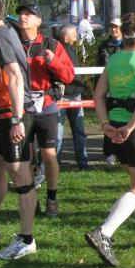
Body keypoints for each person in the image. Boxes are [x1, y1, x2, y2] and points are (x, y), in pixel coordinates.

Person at [85, 12, 135, 266]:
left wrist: (105, 125)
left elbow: (98, 96)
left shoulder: (114, 59)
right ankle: (104, 232)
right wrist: (131, 126)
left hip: (115, 128)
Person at [17, 4, 75, 217]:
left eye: (28, 14)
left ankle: (52, 197)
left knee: (49, 155)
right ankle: (31, 198)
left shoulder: (51, 44)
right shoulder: (13, 43)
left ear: (38, 21)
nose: (23, 17)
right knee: (26, 158)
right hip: (21, 107)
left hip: (47, 106)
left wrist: (54, 62)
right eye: (21, 13)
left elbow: (68, 76)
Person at [0, 0, 39, 259]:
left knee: (20, 176)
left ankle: (27, 239)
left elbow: (15, 77)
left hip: (15, 113)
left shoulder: (0, 34)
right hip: (5, 112)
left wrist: (16, 119)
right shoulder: (3, 33)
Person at [56, 25, 89, 169]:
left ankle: (83, 162)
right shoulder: (57, 50)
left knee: (79, 131)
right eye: (74, 34)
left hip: (76, 95)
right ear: (65, 37)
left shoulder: (71, 49)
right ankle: (55, 163)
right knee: (57, 133)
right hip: (63, 96)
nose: (76, 37)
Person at [99, 17, 123, 165]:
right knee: (109, 121)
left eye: (117, 27)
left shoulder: (128, 45)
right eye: (112, 27)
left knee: (124, 120)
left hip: (124, 88)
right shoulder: (104, 45)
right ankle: (109, 153)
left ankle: (123, 151)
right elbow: (102, 66)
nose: (114, 30)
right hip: (108, 88)